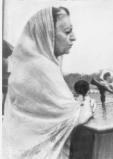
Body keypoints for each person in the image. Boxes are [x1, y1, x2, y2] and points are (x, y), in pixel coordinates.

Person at [3, 7, 95, 159]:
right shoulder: (41, 67)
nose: (73, 37)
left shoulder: (28, 63)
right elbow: (74, 116)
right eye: (67, 31)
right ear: (48, 35)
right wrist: (86, 105)